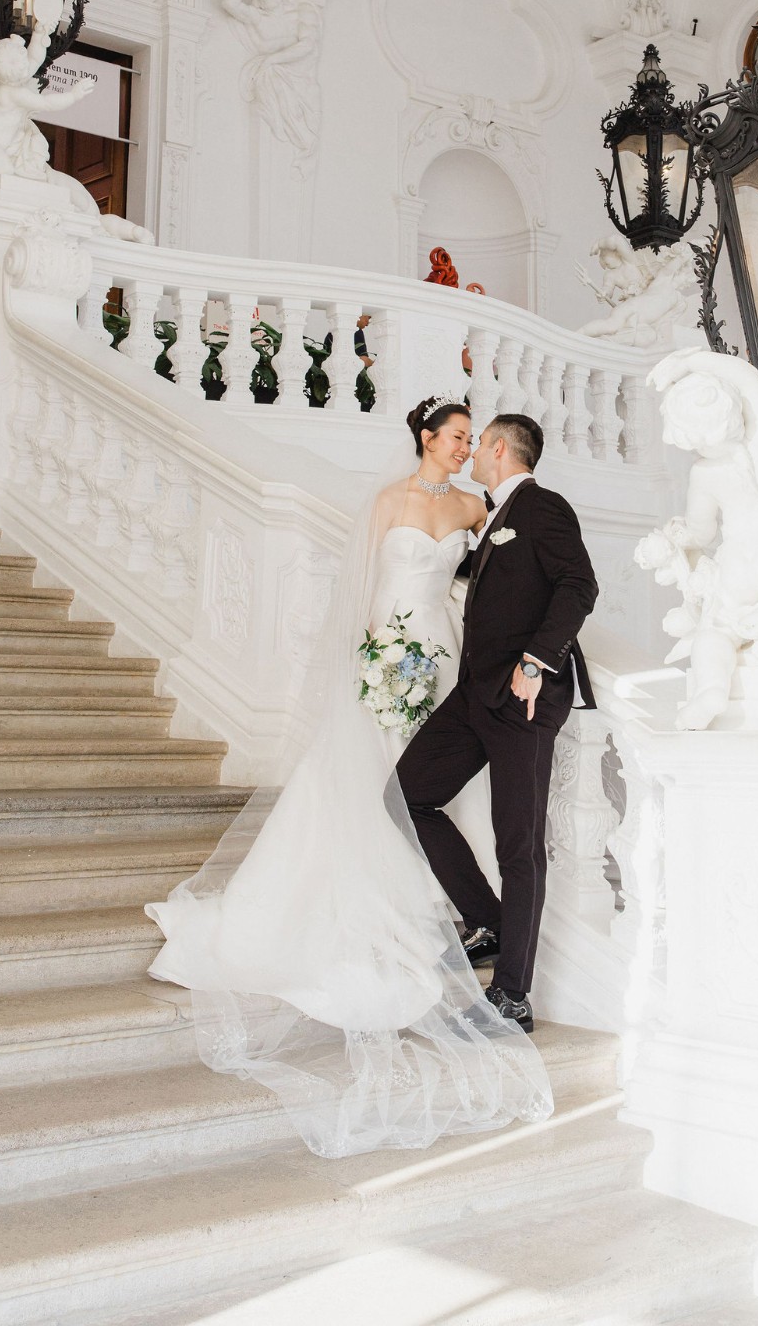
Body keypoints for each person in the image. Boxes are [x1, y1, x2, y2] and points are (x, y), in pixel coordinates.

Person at [144, 397, 552, 1158]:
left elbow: (488, 580)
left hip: (445, 660)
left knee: (429, 792)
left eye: (473, 440)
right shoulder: (385, 502)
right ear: (426, 438)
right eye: (457, 437)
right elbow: (363, 592)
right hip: (390, 658)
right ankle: (382, 905)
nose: (466, 449)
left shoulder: (473, 505)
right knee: (376, 784)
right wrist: (374, 659)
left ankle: (452, 910)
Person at [397, 414, 598, 1035]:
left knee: (518, 844)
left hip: (523, 699)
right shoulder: (492, 517)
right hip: (474, 693)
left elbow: (579, 585)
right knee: (408, 794)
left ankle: (513, 995)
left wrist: (537, 662)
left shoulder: (542, 507)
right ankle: (488, 921)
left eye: (479, 442)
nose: (473, 452)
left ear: (499, 447)